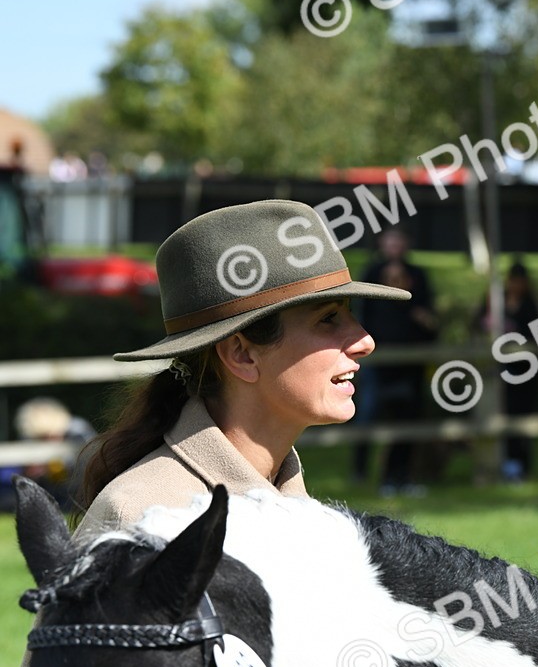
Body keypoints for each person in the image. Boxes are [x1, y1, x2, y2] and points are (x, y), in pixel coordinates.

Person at [74, 199, 411, 536]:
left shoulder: (306, 513)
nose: (365, 341)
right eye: (328, 318)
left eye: (350, 314)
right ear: (241, 354)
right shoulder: (144, 518)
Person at [351, 225, 438, 497]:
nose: (394, 246)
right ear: (382, 243)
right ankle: (360, 471)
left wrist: (407, 297)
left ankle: (399, 476)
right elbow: (361, 313)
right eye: (390, 241)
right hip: (377, 360)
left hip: (410, 361)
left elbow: (428, 319)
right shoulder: (371, 274)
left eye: (399, 241)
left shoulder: (418, 275)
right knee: (367, 413)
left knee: (408, 416)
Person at [476, 260, 538, 481]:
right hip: (495, 372)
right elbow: (477, 326)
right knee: (496, 416)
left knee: (521, 418)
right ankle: (496, 465)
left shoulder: (530, 306)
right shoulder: (494, 301)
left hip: (525, 372)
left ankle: (520, 465)